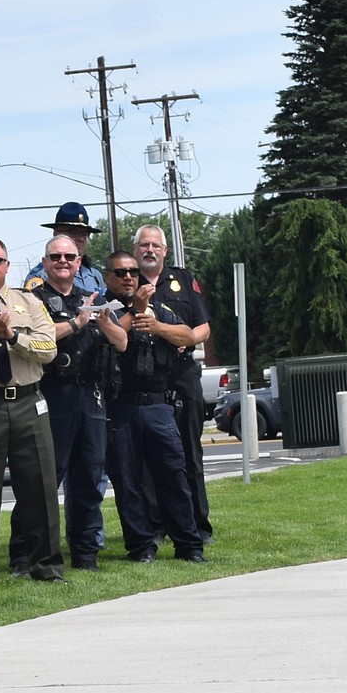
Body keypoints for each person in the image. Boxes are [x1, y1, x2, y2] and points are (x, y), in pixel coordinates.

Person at [7, 236, 126, 573]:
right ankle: (24, 553)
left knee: (89, 476)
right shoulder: (32, 299)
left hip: (91, 394)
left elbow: (122, 342)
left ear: (79, 262)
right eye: (55, 256)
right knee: (42, 479)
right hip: (50, 394)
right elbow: (32, 340)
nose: (62, 261)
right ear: (45, 262)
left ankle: (85, 552)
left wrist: (102, 321)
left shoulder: (94, 299)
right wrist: (76, 323)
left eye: (69, 257)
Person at [0, 238, 62, 585]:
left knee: (41, 489)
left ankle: (45, 566)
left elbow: (48, 349)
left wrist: (11, 335)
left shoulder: (29, 302)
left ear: (7, 265)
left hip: (29, 403)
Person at [101, 251, 205, 563]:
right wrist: (135, 312)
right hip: (121, 406)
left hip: (159, 405)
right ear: (108, 277)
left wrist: (157, 326)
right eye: (120, 273)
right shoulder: (104, 311)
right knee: (129, 482)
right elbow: (108, 336)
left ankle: (189, 546)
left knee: (173, 476)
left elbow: (187, 334)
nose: (128, 277)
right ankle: (142, 547)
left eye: (133, 272)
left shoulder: (160, 309)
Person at [133, 224, 213, 544]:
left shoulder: (182, 279)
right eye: (144, 245)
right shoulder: (127, 282)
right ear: (135, 249)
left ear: (165, 251)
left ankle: (198, 525)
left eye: (156, 245)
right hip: (145, 378)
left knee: (190, 453)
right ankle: (156, 528)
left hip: (181, 374)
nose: (150, 250)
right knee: (147, 459)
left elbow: (203, 327)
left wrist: (186, 338)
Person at [23, 203, 106, 296]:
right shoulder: (40, 276)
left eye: (84, 234)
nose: (81, 239)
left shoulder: (94, 275)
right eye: (74, 233)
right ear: (56, 234)